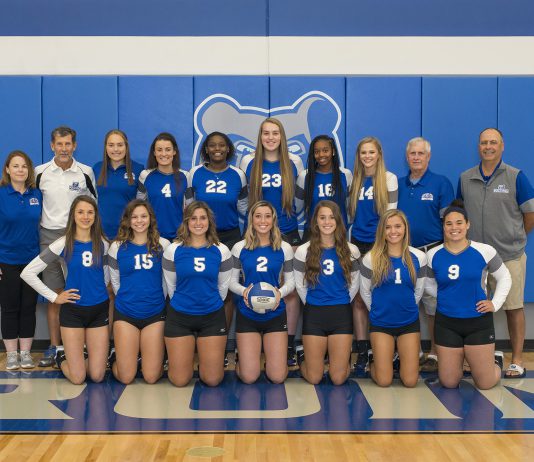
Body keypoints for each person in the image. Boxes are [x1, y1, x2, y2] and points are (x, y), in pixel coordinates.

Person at [458, 128, 534, 378]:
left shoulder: (516, 177)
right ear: (478, 147)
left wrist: (515, 237)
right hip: (475, 259)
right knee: (475, 309)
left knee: (513, 307)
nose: (488, 147)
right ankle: (476, 358)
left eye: (493, 142)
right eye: (483, 143)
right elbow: (459, 216)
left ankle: (518, 360)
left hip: (509, 255)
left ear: (502, 146)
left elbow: (529, 214)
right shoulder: (466, 178)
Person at [21, 196, 110, 384]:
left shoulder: (103, 243)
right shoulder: (63, 243)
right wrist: (55, 297)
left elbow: (106, 274)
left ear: (96, 215)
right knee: (78, 378)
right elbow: (28, 272)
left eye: (90, 212)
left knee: (97, 375)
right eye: (80, 212)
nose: (85, 216)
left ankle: (82, 354)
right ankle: (61, 356)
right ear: (73, 216)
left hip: (99, 310)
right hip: (73, 312)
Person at [426, 200, 512, 389]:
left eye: (459, 222)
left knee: (486, 383)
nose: (454, 227)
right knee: (449, 382)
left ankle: (494, 362)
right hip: (447, 323)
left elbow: (505, 277)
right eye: (449, 223)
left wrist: (495, 303)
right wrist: (447, 297)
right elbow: (429, 285)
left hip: (478, 322)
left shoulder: (484, 251)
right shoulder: (433, 255)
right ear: (443, 227)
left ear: (467, 225)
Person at [240, 118, 303, 366]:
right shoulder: (248, 162)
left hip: (287, 230)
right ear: (260, 136)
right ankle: (252, 343)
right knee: (254, 280)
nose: (270, 137)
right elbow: (245, 199)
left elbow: (298, 201)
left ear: (282, 136)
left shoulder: (294, 162)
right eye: (266, 133)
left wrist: (293, 228)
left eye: (275, 133)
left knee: (290, 288)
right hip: (257, 231)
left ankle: (287, 344)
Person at [35, 126, 97, 367]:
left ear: (75, 145)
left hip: (78, 237)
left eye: (68, 144)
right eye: (59, 144)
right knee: (55, 295)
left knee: (78, 291)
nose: (63, 148)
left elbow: (93, 205)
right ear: (52, 146)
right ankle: (54, 345)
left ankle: (79, 345)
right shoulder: (40, 172)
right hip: (49, 237)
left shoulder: (85, 172)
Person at [187, 131, 248, 364]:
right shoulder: (196, 174)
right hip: (200, 236)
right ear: (206, 149)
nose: (217, 149)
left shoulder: (238, 175)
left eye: (221, 145)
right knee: (200, 284)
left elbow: (243, 207)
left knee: (228, 292)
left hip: (230, 237)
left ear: (228, 149)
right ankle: (196, 343)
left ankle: (221, 345)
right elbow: (190, 208)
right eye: (212, 145)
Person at [397, 137, 454, 372]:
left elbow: (450, 223)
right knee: (407, 302)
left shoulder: (441, 184)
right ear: (407, 157)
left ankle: (434, 352)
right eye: (413, 154)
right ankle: (413, 351)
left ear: (428, 157)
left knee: (432, 304)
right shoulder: (397, 184)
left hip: (432, 251)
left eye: (421, 153)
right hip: (403, 254)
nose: (417, 157)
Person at [162, 201, 232, 387]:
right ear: (186, 222)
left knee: (213, 379)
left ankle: (207, 362)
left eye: (203, 218)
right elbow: (171, 286)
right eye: (193, 218)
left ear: (209, 222)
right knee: (179, 380)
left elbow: (223, 288)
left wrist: (206, 303)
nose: (198, 223)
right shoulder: (173, 250)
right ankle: (180, 363)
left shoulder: (222, 250)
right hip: (180, 317)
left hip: (212, 316)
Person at [294, 200, 360, 385]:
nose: (327, 222)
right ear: (315, 222)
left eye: (331, 217)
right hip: (314, 312)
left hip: (341, 313)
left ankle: (340, 363)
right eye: (322, 217)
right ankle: (303, 360)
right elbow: (300, 284)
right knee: (314, 377)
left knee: (337, 379)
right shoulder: (303, 250)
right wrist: (313, 302)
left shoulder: (351, 250)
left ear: (338, 221)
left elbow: (354, 283)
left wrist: (343, 300)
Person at [360, 210, 427, 387]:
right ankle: (374, 362)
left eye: (398, 226)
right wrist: (377, 311)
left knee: (410, 381)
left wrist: (406, 308)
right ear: (381, 231)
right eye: (388, 227)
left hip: (408, 322)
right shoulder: (371, 258)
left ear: (405, 228)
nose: (393, 231)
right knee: (384, 381)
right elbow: (365, 292)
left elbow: (418, 291)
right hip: (381, 323)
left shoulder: (418, 257)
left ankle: (397, 361)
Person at [229, 201, 295, 384]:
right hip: (247, 314)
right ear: (251, 220)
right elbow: (231, 282)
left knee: (278, 377)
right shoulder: (239, 247)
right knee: (249, 377)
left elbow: (292, 282)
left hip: (275, 313)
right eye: (258, 216)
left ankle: (271, 362)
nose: (263, 220)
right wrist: (246, 291)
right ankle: (243, 359)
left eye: (267, 216)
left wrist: (279, 293)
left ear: (274, 220)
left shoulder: (284, 247)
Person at [348, 136, 398, 371]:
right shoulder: (354, 180)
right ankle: (362, 349)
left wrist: (381, 248)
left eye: (371, 152)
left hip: (380, 246)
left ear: (379, 154)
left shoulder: (389, 179)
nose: (367, 156)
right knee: (358, 298)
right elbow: (350, 216)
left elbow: (390, 217)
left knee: (380, 296)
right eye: (363, 153)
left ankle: (386, 349)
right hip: (357, 244)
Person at [107, 200, 170, 384]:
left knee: (151, 377)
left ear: (150, 219)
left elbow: (167, 282)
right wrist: (130, 299)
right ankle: (115, 358)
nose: (139, 221)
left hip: (154, 313)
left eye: (143, 216)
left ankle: (149, 358)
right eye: (134, 217)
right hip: (126, 313)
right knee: (126, 377)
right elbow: (115, 281)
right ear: (127, 220)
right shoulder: (117, 247)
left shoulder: (163, 245)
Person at [0, 151, 42, 370]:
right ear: (7, 169)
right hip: (6, 260)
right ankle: (11, 354)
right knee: (9, 308)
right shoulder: (1, 194)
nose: (20, 170)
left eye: (24, 166)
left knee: (28, 307)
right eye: (15, 166)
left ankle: (25, 353)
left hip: (32, 262)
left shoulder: (37, 194)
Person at [295, 135, 352, 238]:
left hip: (339, 235)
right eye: (316, 152)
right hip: (312, 234)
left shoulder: (345, 175)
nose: (321, 155)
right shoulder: (305, 177)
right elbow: (298, 207)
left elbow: (349, 207)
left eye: (325, 150)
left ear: (333, 151)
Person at [93, 129, 143, 240]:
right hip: (102, 234)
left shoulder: (138, 169)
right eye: (111, 145)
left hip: (129, 233)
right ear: (106, 147)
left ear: (126, 146)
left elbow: (143, 202)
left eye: (120, 145)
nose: (115, 149)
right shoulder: (97, 168)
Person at [137, 132, 188, 241]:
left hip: (179, 239)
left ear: (174, 151)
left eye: (168, 149)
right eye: (159, 150)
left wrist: (184, 235)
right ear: (154, 152)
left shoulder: (186, 177)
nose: (164, 154)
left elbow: (190, 209)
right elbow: (139, 206)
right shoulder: (145, 175)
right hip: (153, 237)